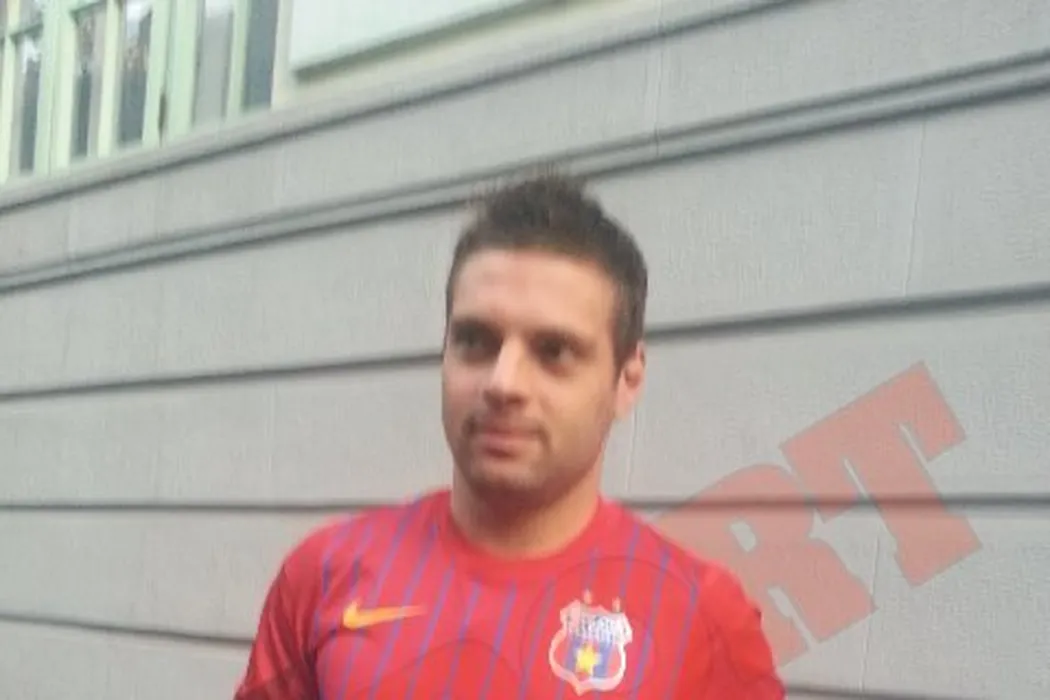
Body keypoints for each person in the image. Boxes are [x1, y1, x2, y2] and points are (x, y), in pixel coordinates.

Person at [234, 173, 785, 699]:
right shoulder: (324, 574)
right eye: (476, 341)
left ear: (627, 380)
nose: (503, 383)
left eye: (554, 351)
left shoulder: (703, 619)